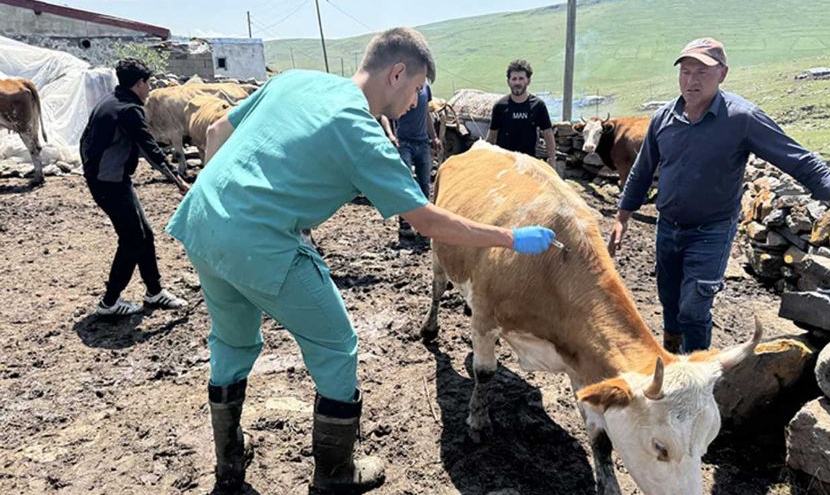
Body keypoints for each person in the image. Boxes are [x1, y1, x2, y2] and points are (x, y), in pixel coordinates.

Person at [164, 27, 555, 494]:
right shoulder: (363, 134)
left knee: (231, 341)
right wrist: (510, 237)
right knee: (337, 346)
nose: (416, 103)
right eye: (417, 89)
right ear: (396, 74)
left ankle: (228, 464)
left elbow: (216, 131)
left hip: (201, 221)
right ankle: (335, 475)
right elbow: (426, 221)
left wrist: (225, 207)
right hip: (260, 242)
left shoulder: (295, 80)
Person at [609, 38, 830, 354]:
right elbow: (642, 170)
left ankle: (698, 369)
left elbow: (796, 159)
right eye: (686, 72)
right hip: (668, 227)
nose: (691, 80)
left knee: (694, 308)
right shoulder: (664, 118)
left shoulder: (741, 119)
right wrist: (623, 217)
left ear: (722, 74)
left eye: (702, 72)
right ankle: (673, 356)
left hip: (711, 232)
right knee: (670, 301)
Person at [80, 58, 189, 316]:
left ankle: (154, 292)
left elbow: (84, 140)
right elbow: (151, 150)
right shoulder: (129, 110)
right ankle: (109, 302)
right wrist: (179, 181)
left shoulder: (109, 101)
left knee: (144, 235)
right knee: (132, 239)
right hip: (109, 183)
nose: (150, 88)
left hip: (109, 179)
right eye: (148, 83)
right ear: (139, 83)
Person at [488, 59, 557, 171]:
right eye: (514, 79)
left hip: (528, 163)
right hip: (504, 162)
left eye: (521, 78)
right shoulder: (499, 106)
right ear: (508, 81)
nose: (517, 83)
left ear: (528, 81)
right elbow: (492, 135)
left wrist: (552, 159)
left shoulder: (538, 105)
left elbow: (548, 133)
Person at [393, 82, 442, 238]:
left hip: (423, 141)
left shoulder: (426, 87)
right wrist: (391, 135)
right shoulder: (402, 85)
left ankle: (424, 223)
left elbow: (426, 113)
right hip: (404, 142)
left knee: (425, 183)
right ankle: (405, 223)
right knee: (405, 182)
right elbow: (389, 113)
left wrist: (434, 136)